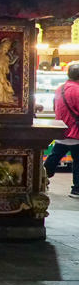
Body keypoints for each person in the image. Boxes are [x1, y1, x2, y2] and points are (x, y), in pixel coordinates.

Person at [44, 62, 79, 199]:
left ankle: (40, 179)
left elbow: (55, 107)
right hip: (75, 132)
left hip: (61, 130)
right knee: (78, 161)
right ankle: (76, 189)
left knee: (54, 157)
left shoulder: (60, 89)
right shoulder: (77, 90)